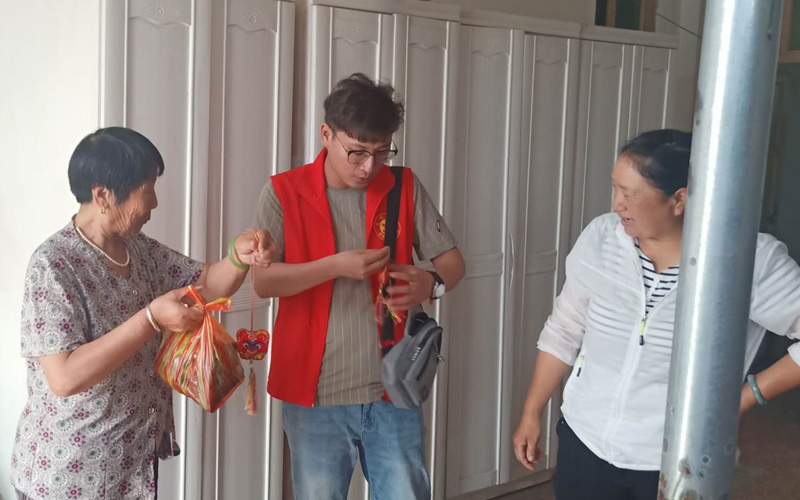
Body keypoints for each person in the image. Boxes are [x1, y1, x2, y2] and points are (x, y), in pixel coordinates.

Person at [512, 129, 800, 499]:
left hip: (678, 456)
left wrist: (745, 398)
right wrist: (532, 411)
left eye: (629, 194)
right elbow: (565, 328)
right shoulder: (601, 237)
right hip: (584, 438)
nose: (617, 204)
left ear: (680, 199)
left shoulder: (747, 261)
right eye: (615, 188)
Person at [10, 127, 278, 500]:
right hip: (72, 472)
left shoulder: (137, 248)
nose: (154, 203)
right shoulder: (54, 265)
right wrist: (150, 319)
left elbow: (208, 284)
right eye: (146, 189)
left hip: (132, 460)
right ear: (103, 195)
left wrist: (238, 255)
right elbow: (64, 378)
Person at [253, 73, 466, 499]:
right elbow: (264, 281)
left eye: (381, 152)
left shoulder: (403, 186)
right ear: (326, 134)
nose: (369, 167)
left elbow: (453, 264)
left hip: (395, 388)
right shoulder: (283, 192)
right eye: (357, 152)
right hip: (315, 395)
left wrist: (431, 284)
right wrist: (332, 267)